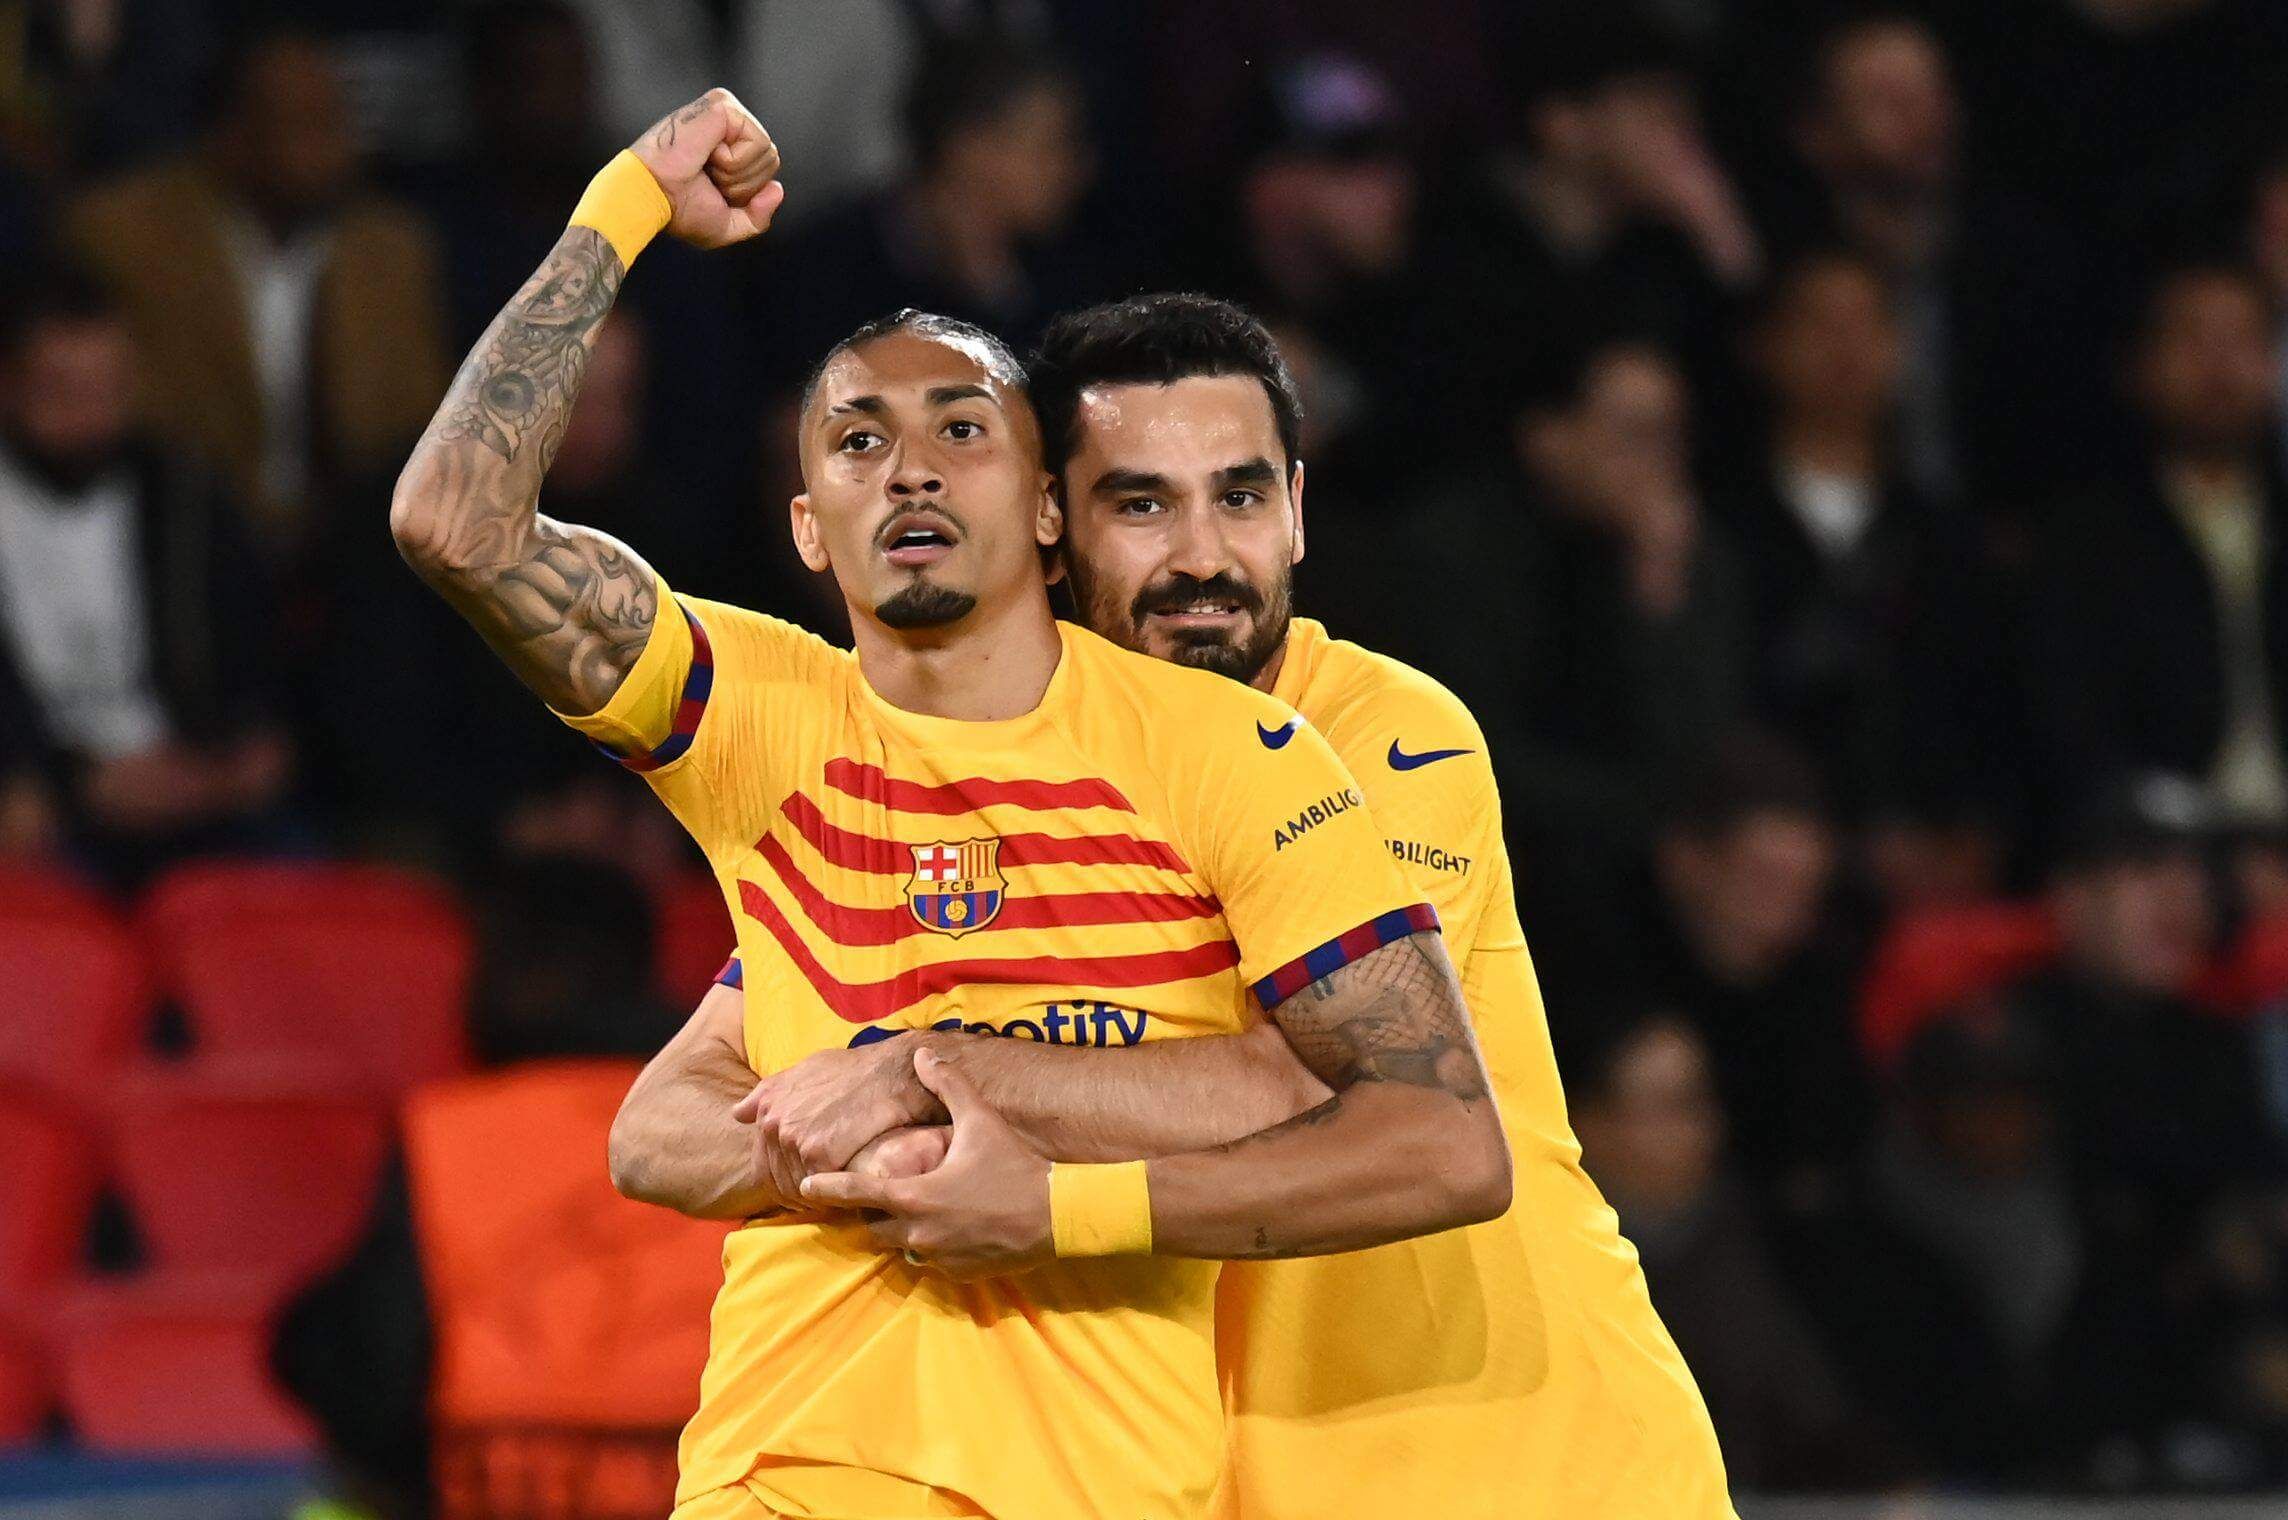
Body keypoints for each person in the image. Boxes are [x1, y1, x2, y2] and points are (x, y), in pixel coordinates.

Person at [387, 90, 1509, 1520]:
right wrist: (625, 205)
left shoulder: (1235, 752)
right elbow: (454, 525)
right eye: (856, 442)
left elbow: (1431, 1130)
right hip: (786, 1476)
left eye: (960, 429)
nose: (908, 465)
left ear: (1046, 508)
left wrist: (949, 1091)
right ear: (809, 529)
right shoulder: (760, 722)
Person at [612, 294, 1734, 1518]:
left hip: (1534, 1466)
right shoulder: (1006, 787)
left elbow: (1316, 1081)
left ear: (1296, 512)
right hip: (1229, 1479)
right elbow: (673, 1109)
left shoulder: (1376, 734)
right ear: (1043, 523)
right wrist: (859, 1147)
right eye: (1140, 505)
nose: (1202, 557)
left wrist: (924, 1074)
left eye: (1239, 498)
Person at [66, 23, 451, 557]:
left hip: (358, 550)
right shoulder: (124, 237)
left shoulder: (391, 249)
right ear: (230, 132)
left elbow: (415, 418)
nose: (334, 145)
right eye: (304, 122)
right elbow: (137, 410)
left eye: (337, 119)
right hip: (187, 541)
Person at [0, 270, 291, 882]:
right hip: (43, 795)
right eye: (63, 393)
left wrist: (238, 754)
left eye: (109, 390)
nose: (91, 417)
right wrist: (67, 781)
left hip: (193, 781)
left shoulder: (185, 497)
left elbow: (253, 657)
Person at [2022, 263, 2288, 840]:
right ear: (2139, 367)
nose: (2219, 366)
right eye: (2193, 338)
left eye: (2242, 340)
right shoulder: (2087, 538)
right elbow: (2074, 730)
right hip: (2155, 843)